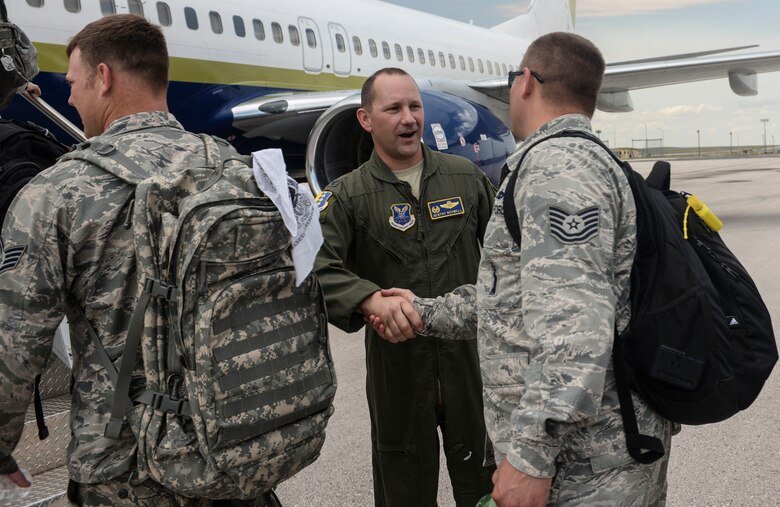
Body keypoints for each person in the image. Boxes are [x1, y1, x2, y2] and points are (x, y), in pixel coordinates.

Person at [376, 33, 675, 506]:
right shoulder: (574, 159)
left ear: (527, 84)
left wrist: (531, 457)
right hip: (590, 457)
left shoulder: (557, 170)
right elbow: (513, 301)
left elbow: (575, 328)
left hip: (585, 468)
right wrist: (424, 311)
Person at [0, 15, 276, 507]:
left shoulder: (56, 193)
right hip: (241, 449)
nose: (69, 99)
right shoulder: (246, 174)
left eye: (72, 82)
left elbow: (14, 349)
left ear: (103, 77)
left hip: (129, 474)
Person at [313, 67, 496, 506]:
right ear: (366, 119)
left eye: (414, 106)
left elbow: (509, 256)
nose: (408, 118)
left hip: (471, 362)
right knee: (403, 489)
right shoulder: (347, 197)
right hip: (397, 370)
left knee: (489, 487)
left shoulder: (466, 180)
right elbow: (315, 266)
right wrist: (367, 298)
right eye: (392, 108)